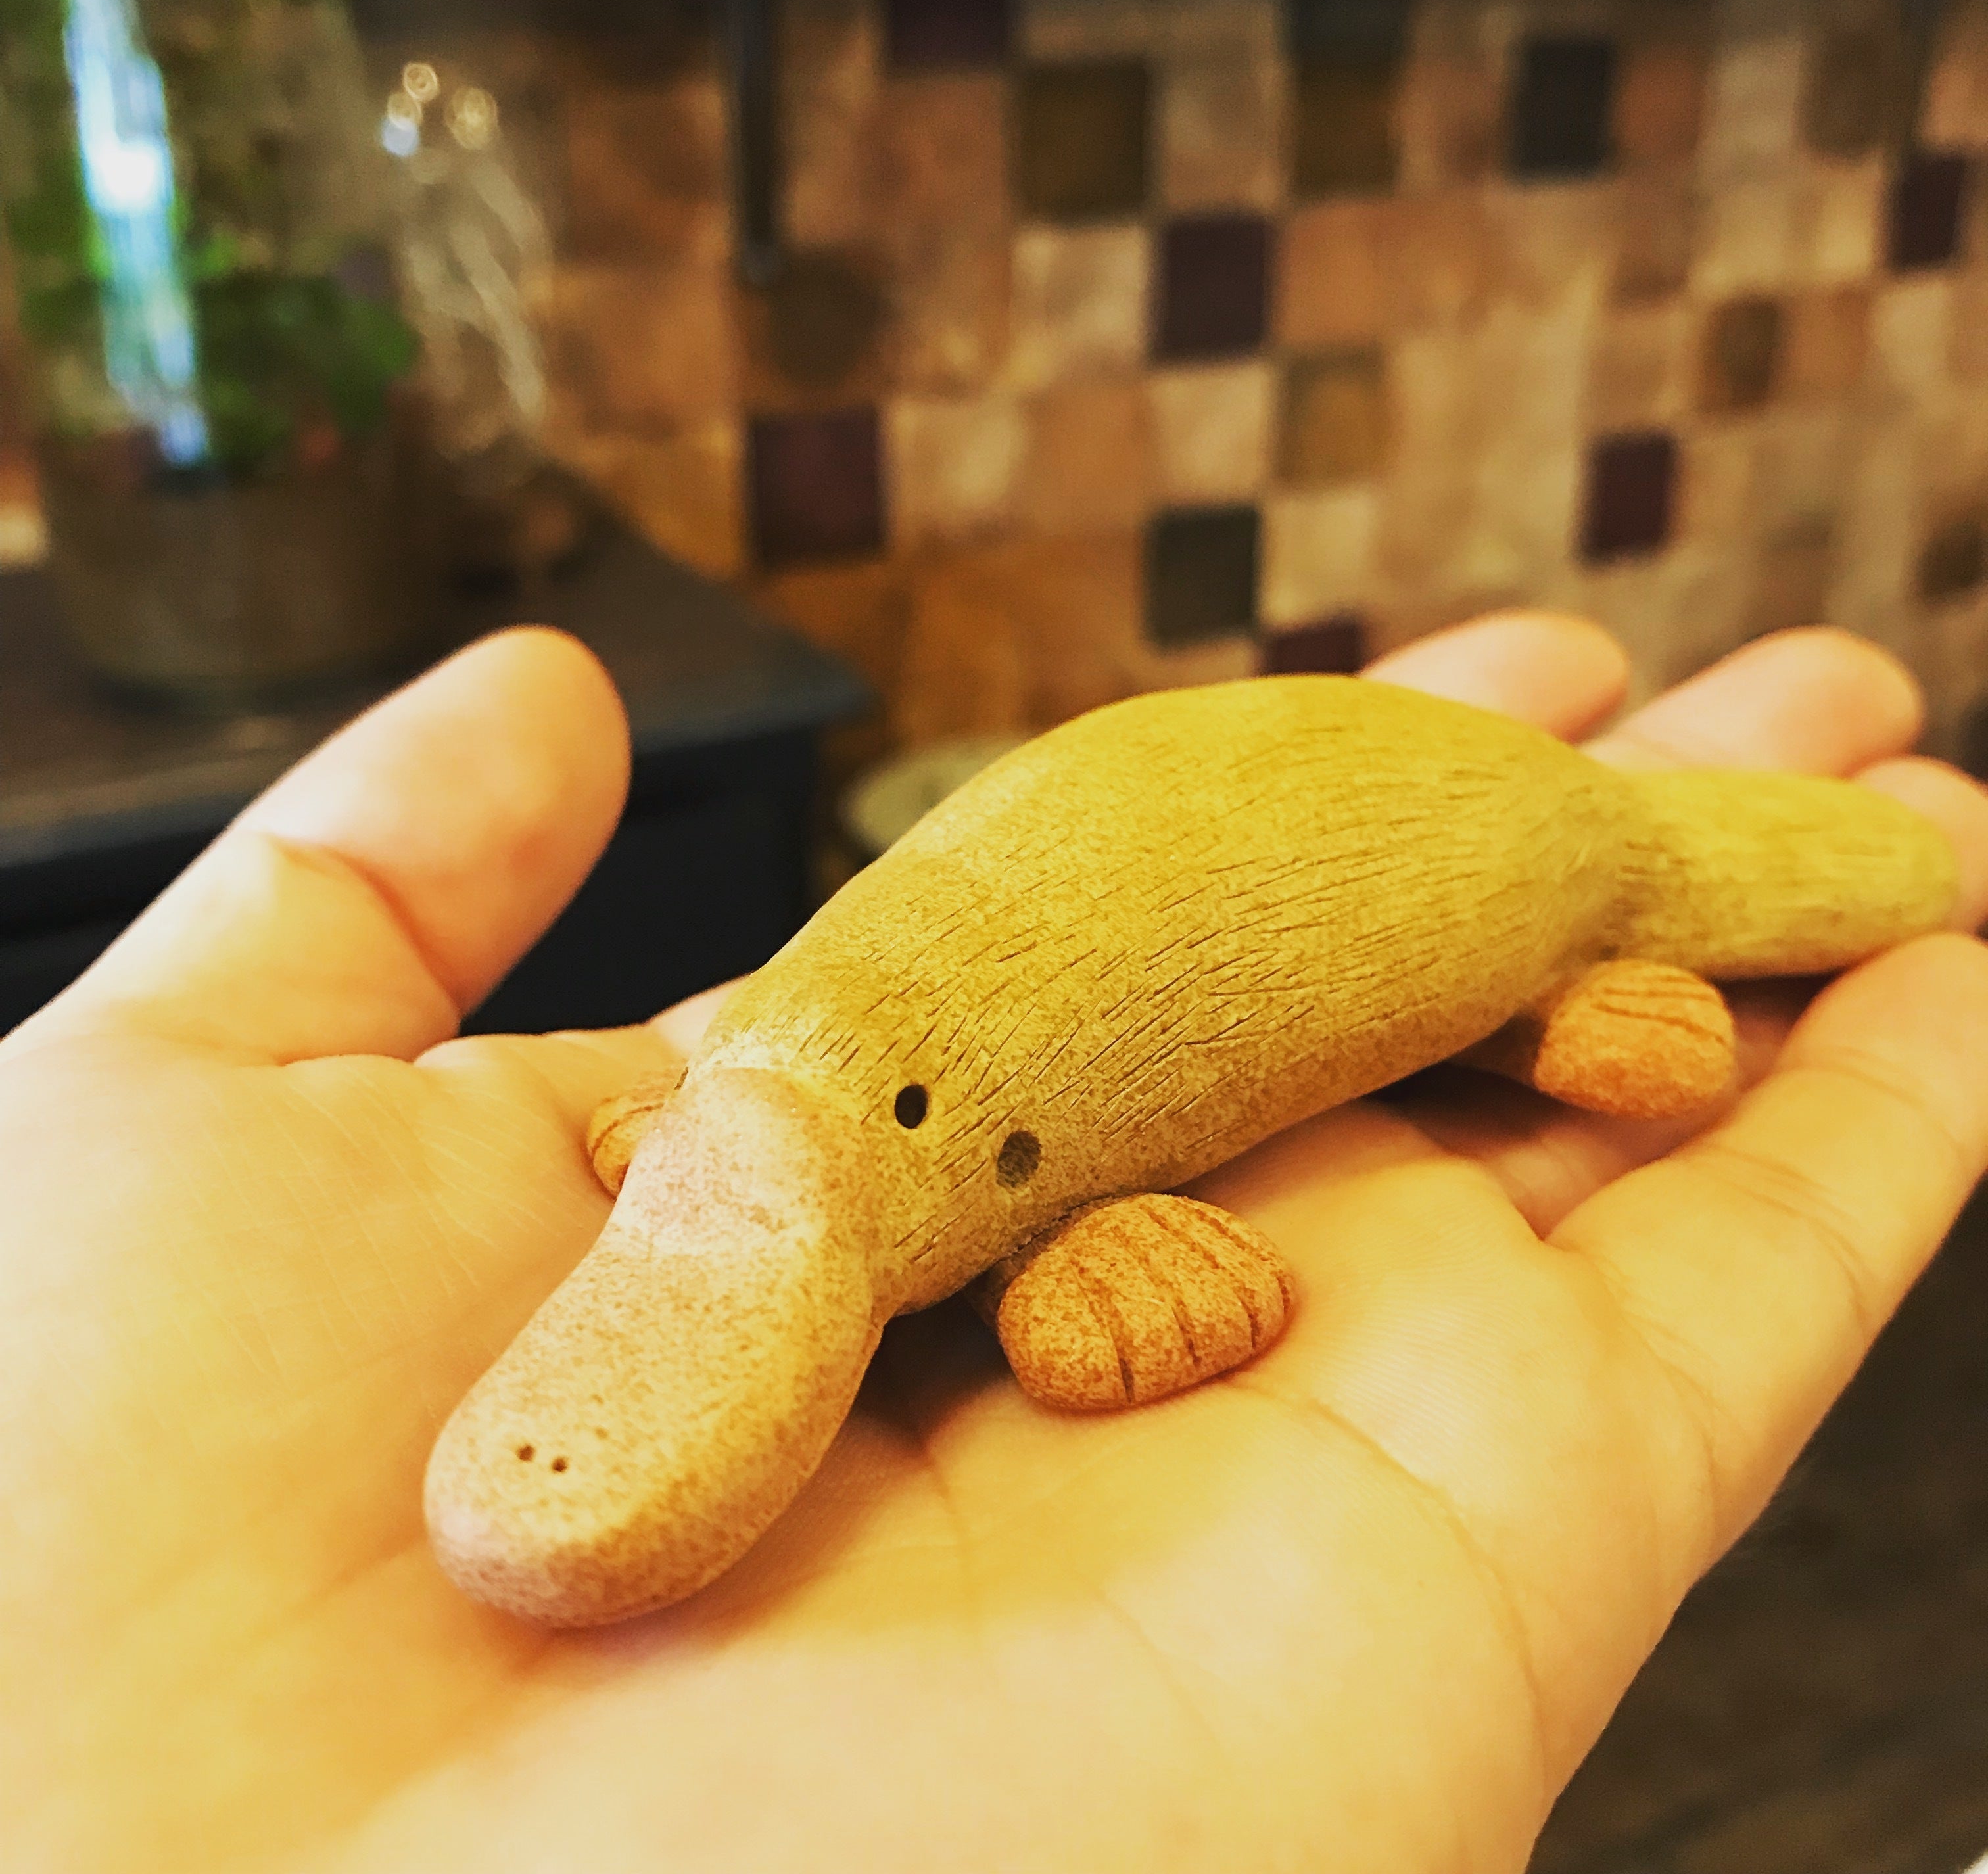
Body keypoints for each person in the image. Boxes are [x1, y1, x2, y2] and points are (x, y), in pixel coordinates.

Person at [4, 611, 1986, 1874]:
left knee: (1579, 892)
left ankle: (1570, 985)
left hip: (1519, 855)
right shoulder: (794, 1045)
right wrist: (739, 1123)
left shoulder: (1027, 1113)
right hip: (878, 1039)